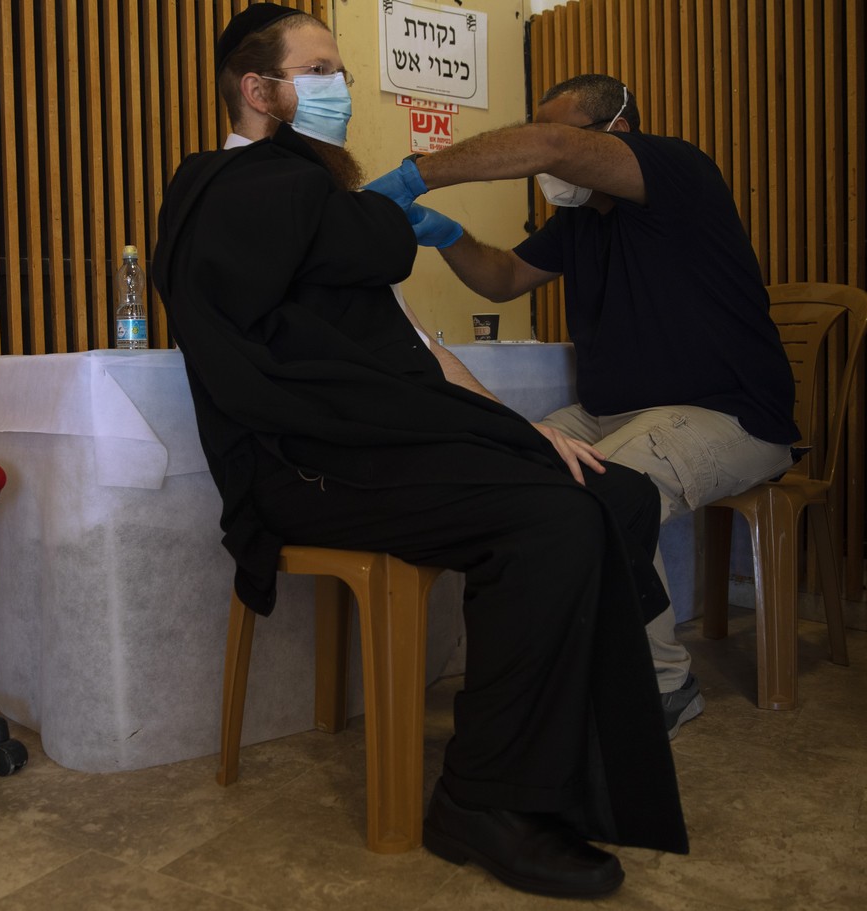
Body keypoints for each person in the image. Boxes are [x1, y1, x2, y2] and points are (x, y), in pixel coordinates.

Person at [151, 5, 687, 899]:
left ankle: (575, 772)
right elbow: (279, 366)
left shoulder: (318, 205)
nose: (340, 89)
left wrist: (524, 432)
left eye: (342, 73)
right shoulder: (226, 191)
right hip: (309, 464)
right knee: (547, 520)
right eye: (319, 71)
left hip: (378, 446)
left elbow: (417, 353)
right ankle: (483, 799)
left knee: (604, 489)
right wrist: (372, 224)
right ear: (258, 89)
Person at [365, 74, 801, 738]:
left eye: (568, 136)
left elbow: (543, 146)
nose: (549, 157)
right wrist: (444, 232)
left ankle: (663, 683)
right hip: (612, 414)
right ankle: (553, 663)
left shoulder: (677, 172)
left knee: (606, 487)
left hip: (731, 414)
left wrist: (416, 175)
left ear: (618, 134)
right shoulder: (578, 222)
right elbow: (505, 277)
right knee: (500, 457)